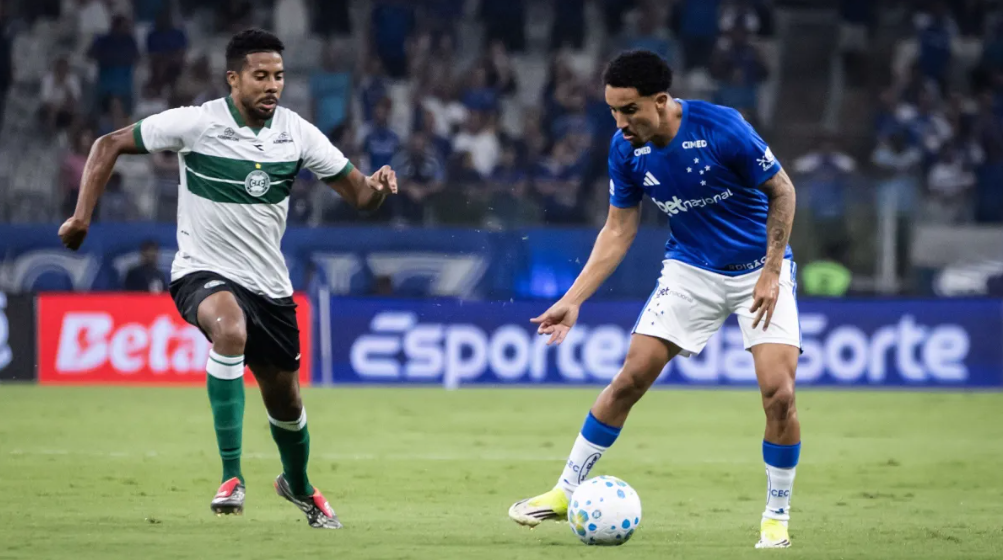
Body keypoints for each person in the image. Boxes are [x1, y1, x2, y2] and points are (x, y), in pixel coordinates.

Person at [58, 28, 398, 529]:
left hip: (270, 289)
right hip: (202, 271)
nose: (272, 85)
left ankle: (298, 484)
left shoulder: (297, 134)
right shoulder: (197, 123)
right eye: (260, 76)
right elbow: (108, 144)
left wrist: (379, 186)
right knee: (230, 329)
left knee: (286, 403)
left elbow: (361, 196)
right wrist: (81, 216)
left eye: (278, 76)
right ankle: (231, 476)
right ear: (233, 79)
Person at [507, 50, 801, 549]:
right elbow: (618, 230)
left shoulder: (722, 128)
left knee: (779, 394)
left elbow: (784, 191)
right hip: (691, 269)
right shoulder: (625, 150)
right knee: (630, 377)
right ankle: (564, 491)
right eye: (613, 111)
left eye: (630, 110)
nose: (621, 123)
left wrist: (772, 271)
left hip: (759, 268)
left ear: (660, 101)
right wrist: (574, 299)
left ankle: (776, 518)